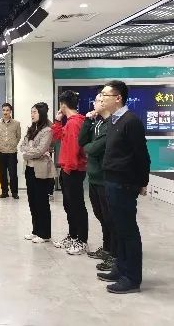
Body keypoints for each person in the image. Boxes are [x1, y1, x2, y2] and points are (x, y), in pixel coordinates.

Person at [97, 80, 150, 294]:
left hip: (124, 183)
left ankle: (132, 278)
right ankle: (120, 268)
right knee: (118, 228)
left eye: (105, 95)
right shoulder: (114, 120)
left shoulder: (131, 121)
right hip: (111, 180)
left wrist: (142, 182)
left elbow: (142, 156)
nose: (101, 98)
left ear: (118, 98)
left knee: (128, 231)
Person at [78, 93, 116, 272]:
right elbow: (82, 141)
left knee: (109, 217)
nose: (95, 103)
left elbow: (93, 149)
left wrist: (88, 148)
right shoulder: (97, 122)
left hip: (105, 179)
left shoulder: (111, 124)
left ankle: (113, 253)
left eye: (98, 100)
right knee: (101, 216)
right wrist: (87, 120)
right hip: (93, 177)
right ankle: (107, 248)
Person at [52, 90, 88, 255]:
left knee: (77, 206)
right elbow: (58, 136)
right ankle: (73, 236)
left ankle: (81, 240)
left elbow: (74, 148)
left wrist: (68, 169)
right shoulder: (71, 122)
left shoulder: (75, 123)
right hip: (68, 168)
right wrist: (57, 121)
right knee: (69, 205)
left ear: (62, 105)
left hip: (72, 169)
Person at [20, 102, 55, 243]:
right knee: (32, 201)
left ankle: (44, 234)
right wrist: (30, 151)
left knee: (41, 202)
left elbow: (40, 150)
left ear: (41, 113)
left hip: (41, 170)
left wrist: (27, 153)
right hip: (29, 168)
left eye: (34, 112)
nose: (32, 114)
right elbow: (22, 146)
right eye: (31, 112)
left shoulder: (47, 130)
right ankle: (36, 231)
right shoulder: (31, 129)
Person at [0, 103, 22, 199]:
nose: (5, 112)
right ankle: (4, 192)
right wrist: (0, 144)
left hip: (12, 152)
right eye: (4, 110)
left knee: (13, 173)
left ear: (10, 111)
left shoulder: (16, 123)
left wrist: (12, 144)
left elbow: (18, 136)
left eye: (7, 110)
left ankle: (14, 192)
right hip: (0, 151)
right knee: (2, 173)